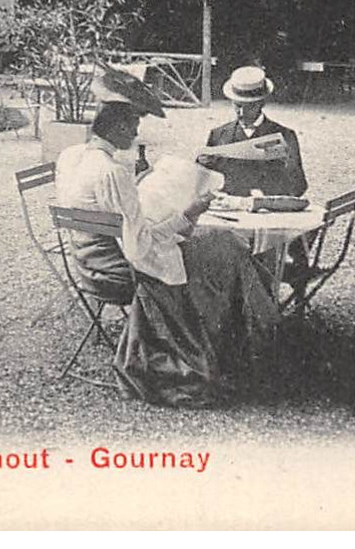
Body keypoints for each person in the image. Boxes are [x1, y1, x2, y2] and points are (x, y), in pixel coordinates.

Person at [55, 100, 280, 407]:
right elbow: (141, 248)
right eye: (133, 128)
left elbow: (130, 231)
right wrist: (188, 214)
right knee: (225, 253)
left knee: (213, 245)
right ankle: (242, 348)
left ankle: (241, 341)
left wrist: (180, 222)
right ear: (119, 127)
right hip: (120, 270)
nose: (136, 135)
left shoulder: (71, 157)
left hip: (86, 261)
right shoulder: (113, 172)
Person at [200, 67, 309, 199]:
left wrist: (289, 166)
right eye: (237, 106)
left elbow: (299, 187)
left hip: (268, 212)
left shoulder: (285, 135)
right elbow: (203, 184)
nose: (242, 113)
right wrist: (202, 164)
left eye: (250, 107)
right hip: (229, 209)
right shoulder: (218, 135)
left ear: (262, 103)